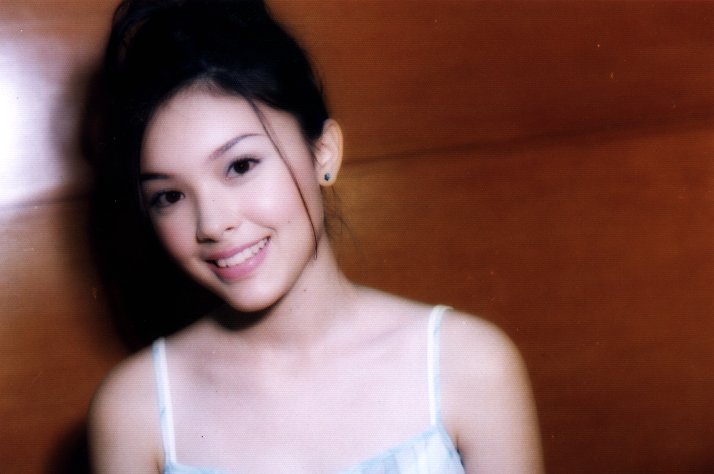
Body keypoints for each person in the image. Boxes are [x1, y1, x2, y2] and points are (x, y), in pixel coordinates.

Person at [87, 0, 543, 472]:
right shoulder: (135, 410)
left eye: (240, 166)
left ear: (323, 153)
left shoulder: (468, 365)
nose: (212, 224)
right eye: (169, 196)